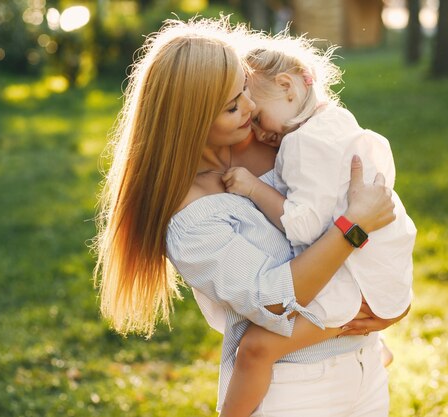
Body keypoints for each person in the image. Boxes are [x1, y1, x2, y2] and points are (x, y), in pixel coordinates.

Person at [93, 17, 406, 417]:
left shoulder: (278, 137)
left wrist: (395, 301)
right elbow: (275, 303)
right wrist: (352, 229)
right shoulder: (190, 219)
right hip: (297, 388)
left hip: (366, 368)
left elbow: (371, 199)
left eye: (244, 89)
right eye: (232, 106)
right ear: (190, 121)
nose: (251, 107)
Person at [218, 33, 417, 417]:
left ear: (287, 86)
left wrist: (253, 188)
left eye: (257, 116)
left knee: (256, 349)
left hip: (359, 271)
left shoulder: (301, 143)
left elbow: (304, 227)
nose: (259, 133)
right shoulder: (337, 120)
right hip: (386, 263)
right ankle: (374, 351)